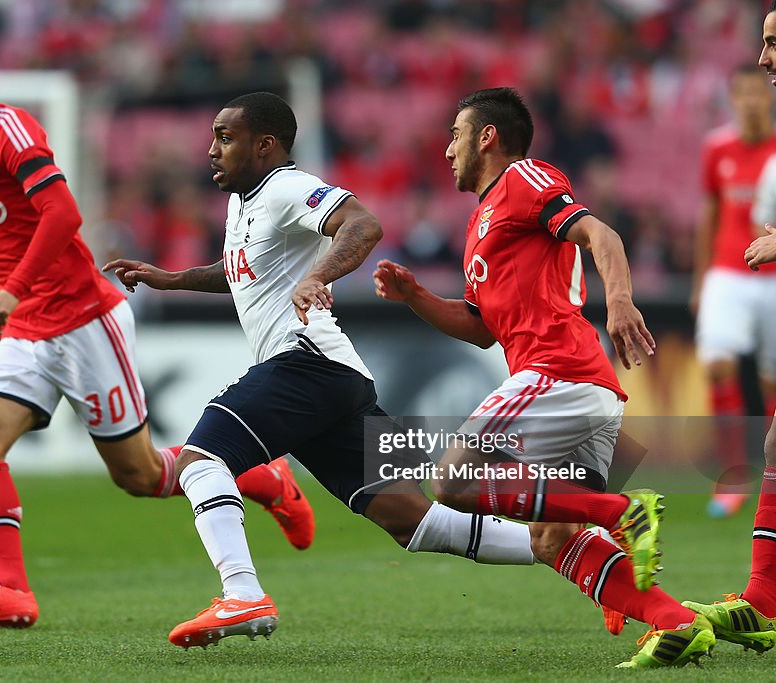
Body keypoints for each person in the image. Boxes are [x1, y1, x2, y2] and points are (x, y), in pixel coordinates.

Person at [104, 91, 648, 654]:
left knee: (202, 459)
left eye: (225, 137)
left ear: (264, 144)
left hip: (306, 362)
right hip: (336, 380)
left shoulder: (288, 187)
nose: (212, 149)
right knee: (413, 521)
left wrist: (318, 277)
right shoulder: (244, 205)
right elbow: (240, 270)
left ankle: (242, 592)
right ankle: (569, 545)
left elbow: (361, 224)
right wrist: (174, 279)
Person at [0, 18, 314, 630]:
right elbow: (3, 242)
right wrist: (0, 303)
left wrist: (13, 292)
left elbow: (61, 214)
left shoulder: (10, 131)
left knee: (139, 475)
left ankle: (264, 478)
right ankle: (12, 590)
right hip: (27, 329)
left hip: (84, 319)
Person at [373, 87, 715, 668]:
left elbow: (601, 235)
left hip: (556, 370)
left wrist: (622, 301)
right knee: (550, 538)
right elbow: (482, 328)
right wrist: (416, 296)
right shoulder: (481, 221)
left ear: (487, 137)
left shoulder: (524, 179)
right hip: (585, 390)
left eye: (455, 134)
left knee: (452, 481)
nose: (447, 149)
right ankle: (676, 621)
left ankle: (618, 512)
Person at [680, 6, 776, 654]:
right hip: (730, 276)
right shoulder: (730, 152)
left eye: (773, 43)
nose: (764, 59)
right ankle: (763, 602)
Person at [692, 63, 776, 518]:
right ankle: (732, 475)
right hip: (728, 272)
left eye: (758, 92)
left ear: (769, 96)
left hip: (775, 276)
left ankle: (770, 475)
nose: (751, 101)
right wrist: (700, 279)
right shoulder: (716, 148)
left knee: (771, 384)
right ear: (732, 98)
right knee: (717, 365)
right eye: (742, 93)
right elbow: (708, 212)